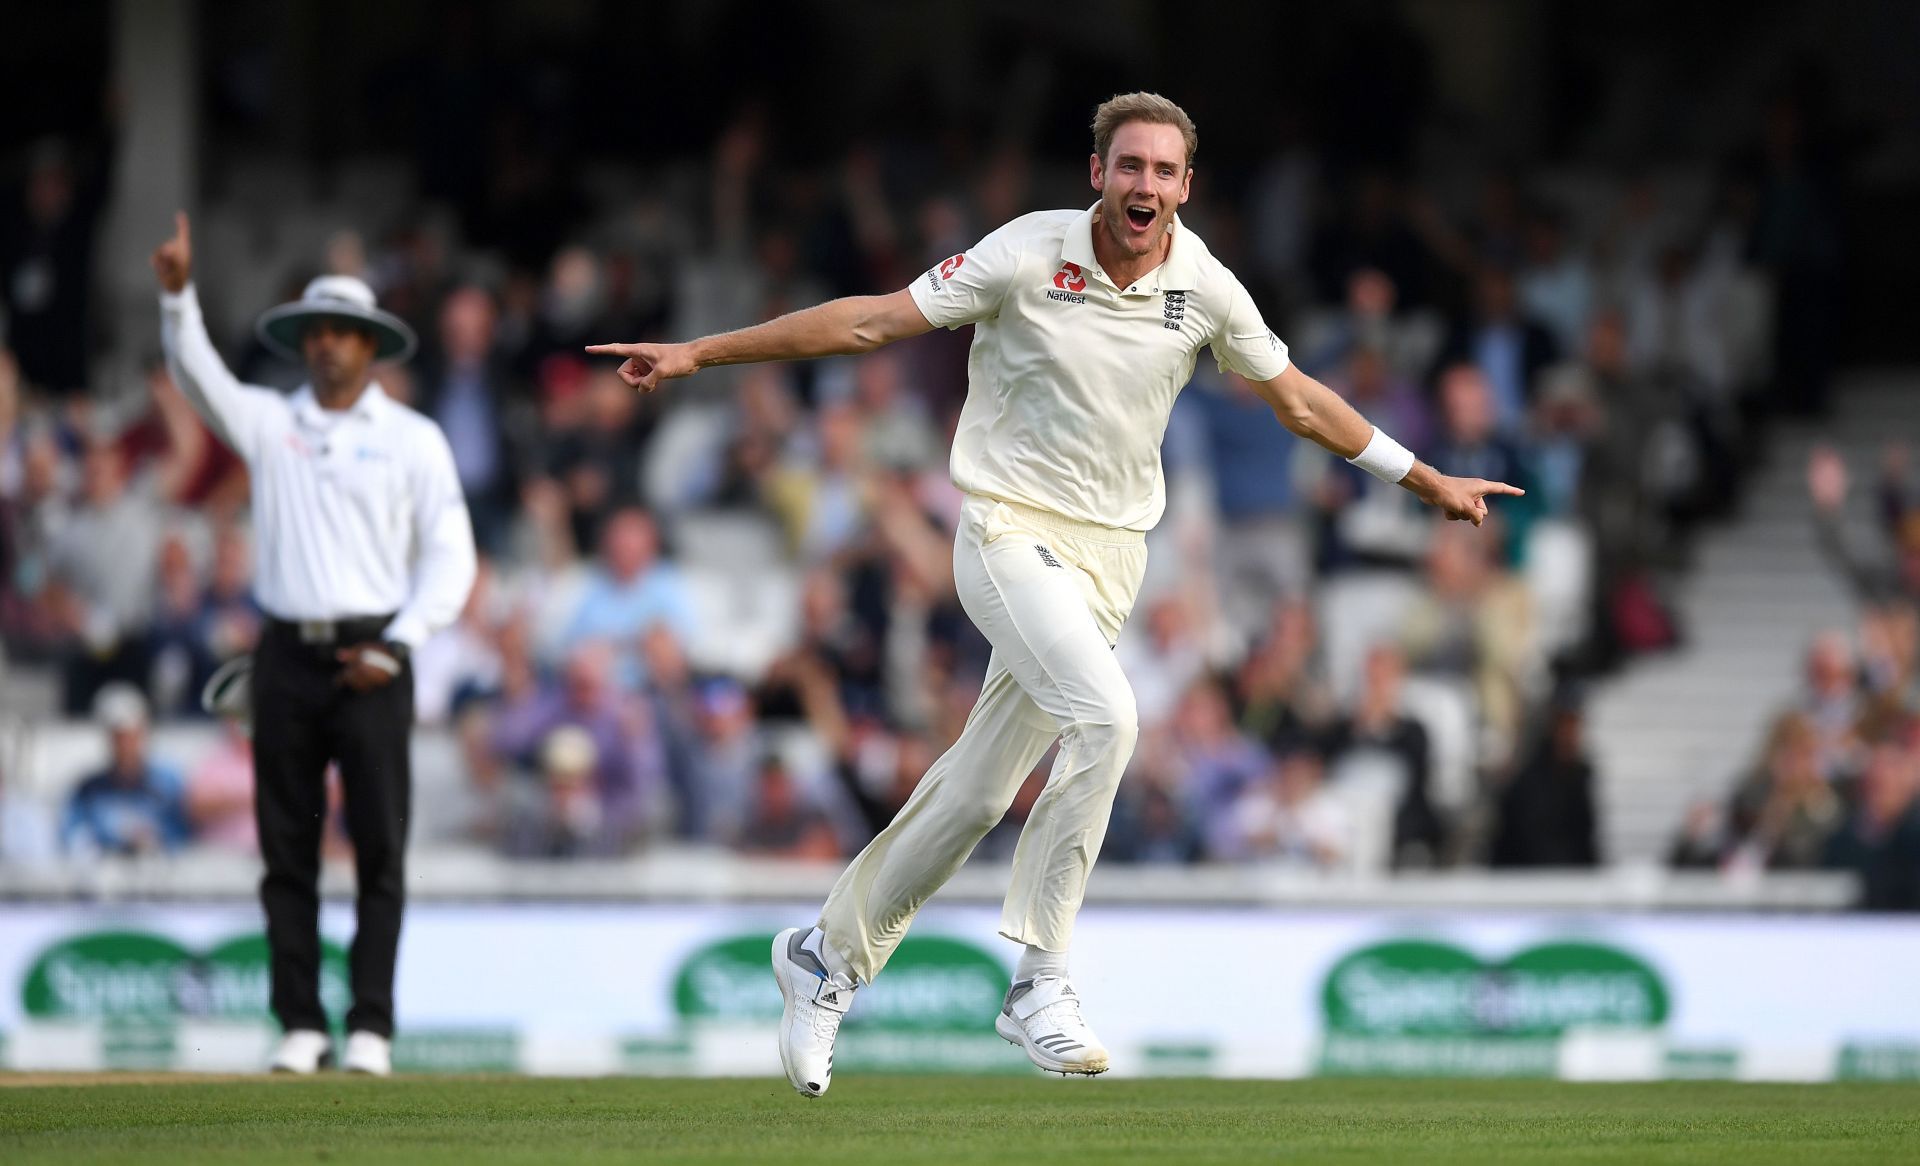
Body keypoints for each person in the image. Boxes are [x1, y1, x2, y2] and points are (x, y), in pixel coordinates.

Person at [588, 92, 1520, 1096]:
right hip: (1005, 531)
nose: (1145, 187)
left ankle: (826, 955)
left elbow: (1296, 398)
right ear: (1097, 173)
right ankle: (1040, 977)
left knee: (981, 790)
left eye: (1164, 172)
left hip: (1111, 561)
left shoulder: (1202, 283)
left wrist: (1422, 476)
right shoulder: (1027, 251)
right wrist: (700, 353)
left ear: (1185, 187)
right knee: (1110, 716)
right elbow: (871, 323)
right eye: (1129, 167)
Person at [152, 214, 477, 1077]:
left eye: (344, 333)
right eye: (317, 332)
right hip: (288, 654)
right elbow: (197, 376)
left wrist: (402, 642)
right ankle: (300, 1024)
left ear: (371, 344)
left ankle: (369, 1026)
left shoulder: (413, 438)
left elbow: (452, 554)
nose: (329, 346)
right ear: (303, 342)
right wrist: (179, 295)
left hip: (376, 653)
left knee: (379, 849)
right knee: (285, 849)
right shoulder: (270, 422)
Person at [60, 685, 190, 856]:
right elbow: (71, 836)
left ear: (144, 734)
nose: (126, 745)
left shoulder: (168, 783)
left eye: (132, 736)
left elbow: (184, 836)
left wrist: (154, 841)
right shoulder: (89, 790)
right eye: (119, 737)